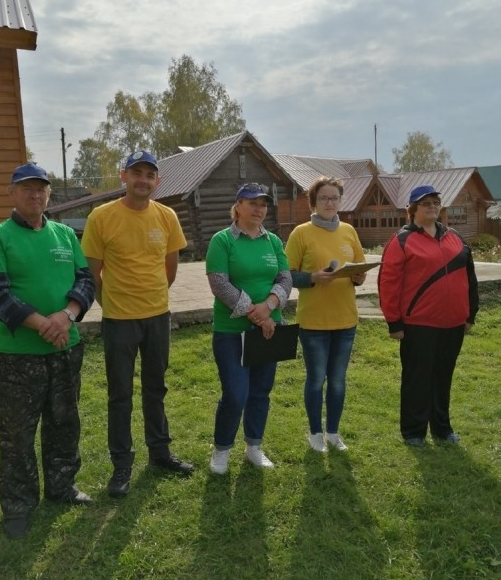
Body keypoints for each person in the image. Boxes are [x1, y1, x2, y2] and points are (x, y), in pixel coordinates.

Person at [0, 162, 95, 540]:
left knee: (64, 421)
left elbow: (86, 280)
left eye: (41, 188)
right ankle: (18, 505)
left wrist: (67, 315)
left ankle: (62, 487)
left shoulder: (64, 235)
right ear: (12, 194)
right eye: (26, 188)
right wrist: (44, 324)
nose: (35, 194)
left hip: (66, 347)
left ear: (49, 194)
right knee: (17, 433)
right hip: (19, 353)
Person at [81, 149, 194, 497]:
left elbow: (170, 268)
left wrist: (154, 297)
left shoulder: (167, 216)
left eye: (149, 175)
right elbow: (92, 271)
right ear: (123, 176)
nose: (142, 180)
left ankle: (160, 453)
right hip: (118, 321)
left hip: (157, 317)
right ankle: (122, 466)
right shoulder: (101, 217)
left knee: (155, 388)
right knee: (120, 395)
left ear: (156, 181)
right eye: (136, 173)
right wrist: (111, 303)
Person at [378, 185, 479, 446]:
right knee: (417, 378)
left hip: (453, 324)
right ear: (412, 210)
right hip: (418, 325)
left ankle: (442, 429)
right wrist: (394, 322)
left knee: (443, 376)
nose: (432, 206)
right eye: (425, 203)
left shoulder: (455, 237)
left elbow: (469, 277)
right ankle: (414, 431)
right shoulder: (401, 240)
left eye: (435, 202)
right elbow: (388, 283)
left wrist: (470, 314)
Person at [205, 182, 292, 474]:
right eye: (252, 202)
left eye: (263, 204)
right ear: (238, 206)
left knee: (260, 391)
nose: (259, 209)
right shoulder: (222, 240)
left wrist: (269, 306)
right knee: (236, 393)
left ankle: (254, 446)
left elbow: (284, 279)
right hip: (231, 331)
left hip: (268, 330)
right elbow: (219, 284)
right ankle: (221, 449)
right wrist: (257, 314)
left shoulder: (274, 241)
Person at [285, 176, 366, 453]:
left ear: (340, 201)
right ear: (314, 202)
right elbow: (286, 275)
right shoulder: (301, 233)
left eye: (334, 198)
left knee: (339, 380)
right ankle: (315, 433)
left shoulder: (349, 232)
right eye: (324, 198)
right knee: (316, 379)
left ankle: (333, 432)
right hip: (314, 322)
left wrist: (357, 276)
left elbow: (359, 272)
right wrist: (313, 278)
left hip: (345, 320)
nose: (330, 203)